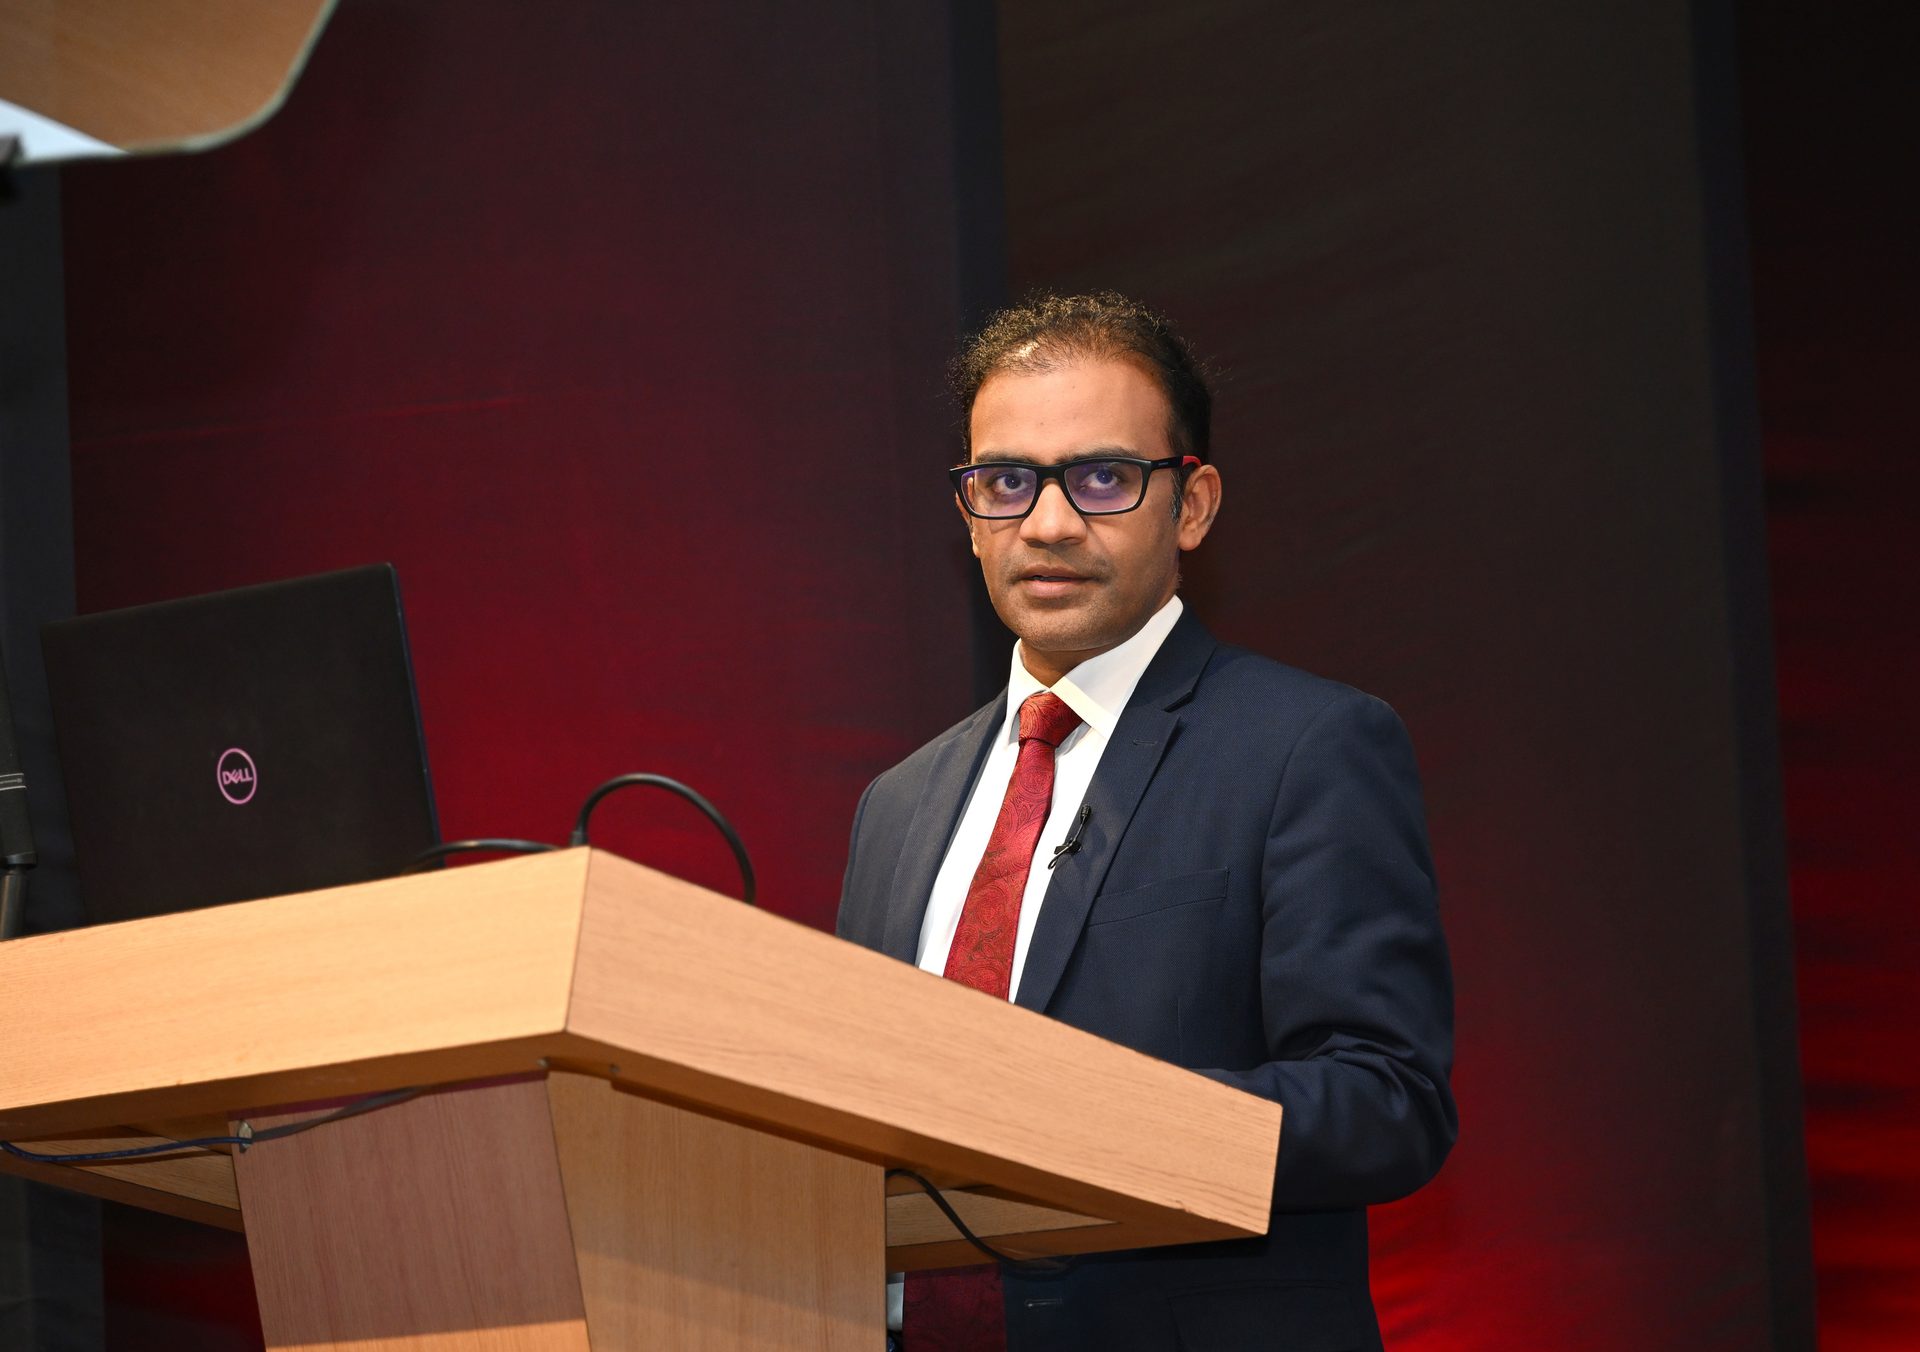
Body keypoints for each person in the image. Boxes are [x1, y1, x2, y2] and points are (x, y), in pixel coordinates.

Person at [837, 291, 1456, 1351]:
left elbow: (1384, 1099)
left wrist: (1085, 1117)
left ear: (1194, 503)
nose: (1047, 522)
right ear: (968, 513)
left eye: (1103, 476)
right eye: (1005, 481)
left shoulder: (1307, 745)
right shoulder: (897, 803)